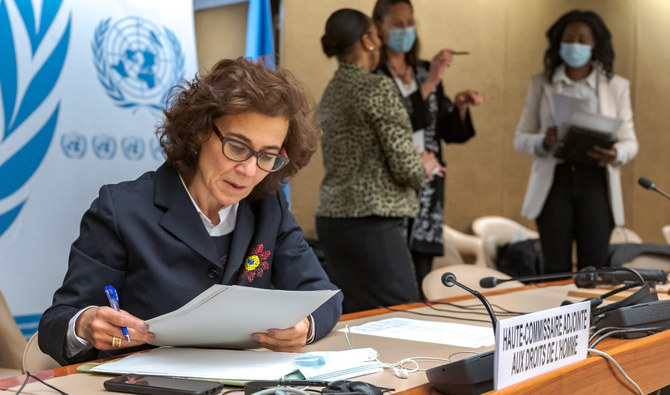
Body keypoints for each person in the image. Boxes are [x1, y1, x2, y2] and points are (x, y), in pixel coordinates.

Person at [38, 58, 343, 366]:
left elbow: (324, 296)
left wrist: (304, 327)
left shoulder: (268, 206)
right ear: (199, 132)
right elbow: (57, 322)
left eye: (267, 156)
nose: (249, 170)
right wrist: (86, 324)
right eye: (237, 147)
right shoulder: (121, 209)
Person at [315, 9, 435, 313]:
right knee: (405, 314)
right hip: (373, 222)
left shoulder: (331, 91)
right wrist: (424, 167)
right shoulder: (377, 87)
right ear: (368, 40)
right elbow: (406, 166)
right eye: (376, 33)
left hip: (333, 220)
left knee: (356, 317)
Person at [372, 0, 486, 292]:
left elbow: (447, 130)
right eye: (397, 24)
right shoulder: (374, 76)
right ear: (379, 29)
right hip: (390, 184)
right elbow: (395, 121)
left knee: (421, 272)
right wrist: (433, 81)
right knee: (390, 273)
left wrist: (459, 106)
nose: (406, 29)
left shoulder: (423, 71)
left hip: (428, 185)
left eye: (409, 22)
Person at [514, 10, 638, 274]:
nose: (575, 45)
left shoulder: (616, 86)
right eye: (569, 39)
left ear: (595, 45)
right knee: (554, 268)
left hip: (597, 181)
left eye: (583, 40)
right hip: (555, 181)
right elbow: (521, 138)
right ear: (559, 43)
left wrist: (614, 152)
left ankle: (594, 316)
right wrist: (543, 142)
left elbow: (631, 143)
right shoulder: (541, 84)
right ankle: (554, 315)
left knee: (593, 268)